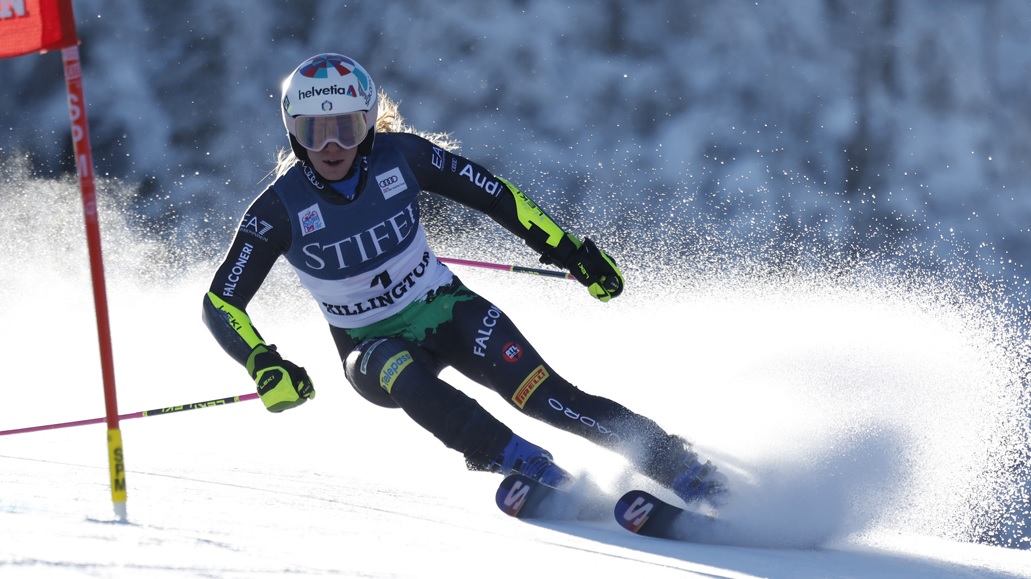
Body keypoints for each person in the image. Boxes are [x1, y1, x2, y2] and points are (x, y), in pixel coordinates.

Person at [202, 53, 726, 504]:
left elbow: (495, 195)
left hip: (448, 310)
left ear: (367, 125)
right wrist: (262, 362)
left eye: (347, 127)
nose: (332, 145)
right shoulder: (278, 210)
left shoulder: (403, 157)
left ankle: (678, 466)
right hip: (369, 346)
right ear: (294, 131)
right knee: (399, 367)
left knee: (545, 396)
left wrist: (571, 253)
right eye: (316, 130)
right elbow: (221, 302)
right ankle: (521, 461)